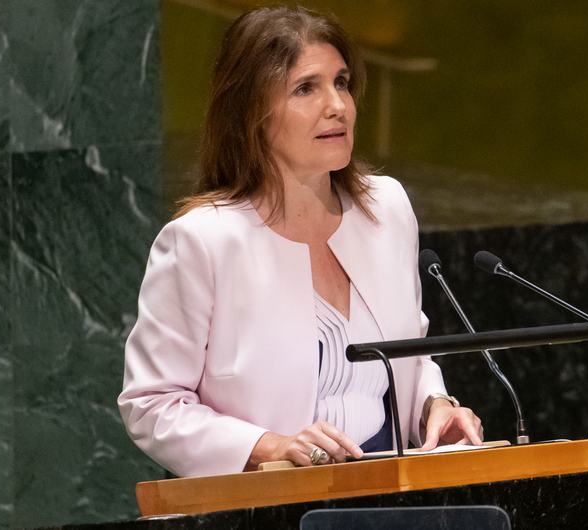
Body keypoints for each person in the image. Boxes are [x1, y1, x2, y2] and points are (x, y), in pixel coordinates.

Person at [118, 6, 482, 478]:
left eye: (342, 82)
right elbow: (151, 404)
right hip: (261, 504)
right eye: (306, 88)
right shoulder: (202, 241)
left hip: (388, 489)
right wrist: (266, 446)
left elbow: (410, 350)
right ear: (251, 113)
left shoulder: (386, 209)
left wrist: (435, 405)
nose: (337, 105)